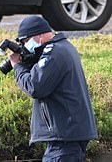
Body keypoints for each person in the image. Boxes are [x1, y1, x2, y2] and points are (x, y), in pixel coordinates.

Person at [9, 15, 98, 161]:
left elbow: (35, 87)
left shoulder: (54, 53)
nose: (26, 45)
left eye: (26, 41)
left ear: (39, 35)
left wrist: (17, 66)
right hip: (69, 134)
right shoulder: (63, 47)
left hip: (65, 137)